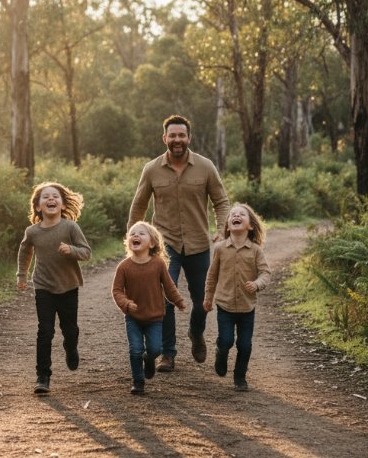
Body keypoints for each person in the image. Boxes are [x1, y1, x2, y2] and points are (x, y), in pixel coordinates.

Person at [128, 114, 230, 373]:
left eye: (181, 135)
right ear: (164, 138)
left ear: (189, 138)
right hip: (165, 244)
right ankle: (168, 353)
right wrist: (133, 239)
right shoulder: (151, 169)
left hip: (198, 242)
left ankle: (196, 333)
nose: (177, 140)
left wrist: (221, 230)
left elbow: (221, 202)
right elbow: (139, 205)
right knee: (164, 298)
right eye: (172, 136)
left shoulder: (206, 167)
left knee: (202, 301)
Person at [17, 181, 91, 395]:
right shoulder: (32, 232)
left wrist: (71, 250)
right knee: (45, 330)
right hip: (43, 286)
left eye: (55, 196)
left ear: (62, 203)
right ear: (38, 206)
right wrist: (22, 274)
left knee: (70, 329)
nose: (51, 199)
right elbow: (25, 252)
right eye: (45, 197)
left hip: (68, 285)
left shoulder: (70, 227)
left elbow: (86, 252)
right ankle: (43, 376)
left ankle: (70, 346)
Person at [112, 221, 188, 394]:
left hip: (155, 317)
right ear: (128, 241)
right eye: (132, 234)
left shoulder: (158, 264)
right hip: (133, 317)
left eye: (141, 233)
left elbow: (169, 286)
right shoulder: (124, 266)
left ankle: (150, 359)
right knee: (135, 350)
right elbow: (117, 290)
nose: (135, 236)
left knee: (155, 349)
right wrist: (126, 303)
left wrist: (178, 301)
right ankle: (138, 382)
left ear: (152, 243)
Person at [203, 203, 270, 391]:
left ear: (250, 225)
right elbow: (212, 275)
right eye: (233, 214)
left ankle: (240, 377)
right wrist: (208, 298)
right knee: (226, 341)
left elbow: (265, 273)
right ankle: (220, 353)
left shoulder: (256, 250)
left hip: (247, 307)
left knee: (245, 345)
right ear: (227, 225)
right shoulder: (220, 248)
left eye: (242, 214)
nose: (236, 216)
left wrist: (257, 284)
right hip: (224, 305)